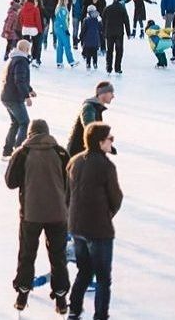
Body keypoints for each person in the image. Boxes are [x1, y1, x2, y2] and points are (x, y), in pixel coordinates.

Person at [5, 119, 71, 313]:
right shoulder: (61, 153)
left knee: (27, 254)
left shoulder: (23, 152)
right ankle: (60, 299)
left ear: (30, 134)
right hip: (58, 214)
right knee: (58, 256)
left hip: (31, 214)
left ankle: (22, 295)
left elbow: (10, 182)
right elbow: (71, 183)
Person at [67, 123, 123, 320]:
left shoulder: (75, 161)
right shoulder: (106, 166)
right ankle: (100, 315)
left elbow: (68, 193)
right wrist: (106, 214)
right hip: (98, 230)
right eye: (110, 138)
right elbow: (116, 198)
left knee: (84, 271)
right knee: (102, 278)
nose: (112, 141)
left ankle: (74, 309)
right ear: (100, 142)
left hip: (76, 227)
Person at [1, 38, 36, 160]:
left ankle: (7, 151)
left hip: (7, 96)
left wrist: (30, 90)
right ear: (25, 49)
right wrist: (26, 97)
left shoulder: (14, 59)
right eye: (29, 49)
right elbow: (19, 80)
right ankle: (18, 151)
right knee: (24, 122)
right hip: (13, 97)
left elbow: (21, 78)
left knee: (15, 123)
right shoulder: (21, 61)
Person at [66, 81, 117, 157]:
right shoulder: (89, 107)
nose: (113, 96)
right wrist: (106, 144)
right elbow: (90, 128)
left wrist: (106, 144)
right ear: (103, 93)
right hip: (77, 152)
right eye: (111, 93)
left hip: (84, 151)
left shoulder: (96, 108)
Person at [101, 0, 132, 75]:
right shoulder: (122, 9)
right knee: (119, 51)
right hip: (119, 33)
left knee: (109, 50)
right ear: (120, 0)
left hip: (109, 33)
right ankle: (117, 68)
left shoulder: (107, 8)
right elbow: (126, 21)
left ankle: (108, 67)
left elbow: (103, 21)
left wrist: (103, 32)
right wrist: (129, 33)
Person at [53, 0, 76, 68]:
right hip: (62, 29)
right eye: (66, 1)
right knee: (67, 45)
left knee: (60, 46)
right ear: (63, 1)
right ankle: (71, 61)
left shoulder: (58, 8)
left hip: (58, 28)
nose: (68, 2)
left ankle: (59, 62)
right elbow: (63, 20)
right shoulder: (63, 10)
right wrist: (66, 30)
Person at [20, 0, 44, 66]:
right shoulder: (35, 9)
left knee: (25, 44)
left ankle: (24, 58)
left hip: (25, 28)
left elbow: (21, 19)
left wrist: (23, 25)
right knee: (35, 44)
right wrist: (40, 30)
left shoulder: (23, 8)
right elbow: (38, 21)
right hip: (33, 29)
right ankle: (34, 59)